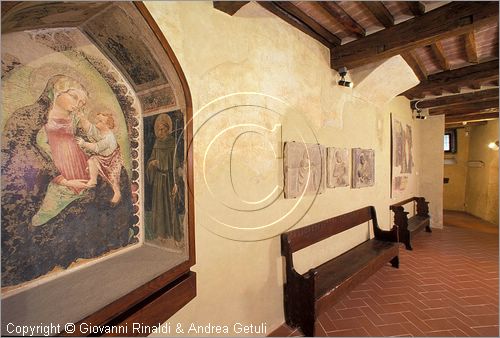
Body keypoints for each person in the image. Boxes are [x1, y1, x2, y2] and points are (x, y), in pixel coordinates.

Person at [31, 75, 91, 226]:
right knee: (51, 206)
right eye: (73, 97)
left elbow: (86, 140)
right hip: (58, 167)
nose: (77, 104)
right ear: (58, 90)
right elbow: (38, 149)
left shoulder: (75, 120)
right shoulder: (39, 117)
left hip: (78, 163)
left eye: (81, 102)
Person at [146, 113, 183, 243]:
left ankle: (175, 235)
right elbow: (150, 161)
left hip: (169, 179)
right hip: (158, 180)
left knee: (171, 206)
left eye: (163, 129)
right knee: (160, 207)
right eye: (158, 129)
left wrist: (176, 183)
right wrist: (152, 164)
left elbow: (176, 164)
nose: (160, 132)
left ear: (168, 129)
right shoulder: (157, 143)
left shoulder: (172, 142)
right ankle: (161, 234)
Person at [76, 111, 124, 204]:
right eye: (97, 120)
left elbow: (97, 147)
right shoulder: (99, 131)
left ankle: (117, 193)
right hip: (102, 157)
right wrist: (82, 117)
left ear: (107, 125)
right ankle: (93, 180)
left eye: (100, 121)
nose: (96, 122)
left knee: (113, 177)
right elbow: (89, 128)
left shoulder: (109, 137)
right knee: (92, 160)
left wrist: (83, 143)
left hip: (112, 160)